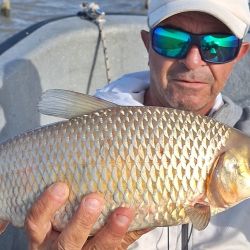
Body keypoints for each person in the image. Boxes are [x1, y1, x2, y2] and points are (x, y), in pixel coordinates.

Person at [2, 0, 250, 249]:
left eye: (218, 46)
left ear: (241, 52)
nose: (193, 60)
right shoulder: (91, 128)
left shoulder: (241, 137)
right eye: (171, 40)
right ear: (147, 43)